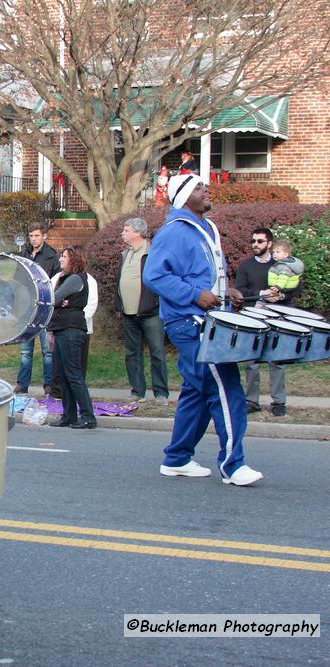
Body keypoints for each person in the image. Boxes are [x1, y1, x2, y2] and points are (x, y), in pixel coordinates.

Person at [143, 173, 263, 486]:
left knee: (198, 392)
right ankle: (233, 465)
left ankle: (177, 458)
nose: (206, 190)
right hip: (189, 322)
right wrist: (195, 295)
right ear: (183, 197)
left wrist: (229, 291)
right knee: (225, 386)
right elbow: (154, 276)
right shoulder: (173, 232)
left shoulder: (206, 228)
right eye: (198, 187)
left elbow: (208, 275)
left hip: (207, 319)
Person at [235, 227, 289, 416]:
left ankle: (279, 401)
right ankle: (252, 400)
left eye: (259, 241)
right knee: (252, 361)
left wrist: (281, 295)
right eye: (253, 241)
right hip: (253, 317)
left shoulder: (281, 265)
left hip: (276, 317)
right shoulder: (246, 266)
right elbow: (240, 291)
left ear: (270, 243)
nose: (255, 245)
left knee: (277, 360)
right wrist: (260, 294)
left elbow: (295, 287)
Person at [115, 217, 169, 404]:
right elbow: (120, 280)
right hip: (128, 312)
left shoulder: (152, 252)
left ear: (138, 233)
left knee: (157, 352)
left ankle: (161, 393)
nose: (123, 232)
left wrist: (155, 301)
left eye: (126, 229)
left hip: (150, 311)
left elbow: (162, 279)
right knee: (132, 353)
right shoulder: (125, 253)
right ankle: (137, 391)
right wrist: (118, 304)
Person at [48, 247, 96, 429]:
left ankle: (88, 416)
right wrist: (62, 303)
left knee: (74, 375)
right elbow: (59, 300)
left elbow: (53, 297)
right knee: (63, 375)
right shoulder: (67, 278)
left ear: (74, 260)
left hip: (71, 330)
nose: (60, 259)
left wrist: (60, 302)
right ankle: (68, 415)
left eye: (64, 256)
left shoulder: (76, 278)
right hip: (62, 329)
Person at [15, 223, 60, 394]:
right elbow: (17, 277)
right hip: (26, 307)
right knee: (25, 350)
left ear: (44, 236)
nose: (33, 239)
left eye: (37, 235)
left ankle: (48, 384)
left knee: (47, 350)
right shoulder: (25, 253)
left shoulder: (51, 256)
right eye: (31, 236)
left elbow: (56, 281)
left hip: (44, 308)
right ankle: (22, 384)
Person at [49, 270, 98, 398]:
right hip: (59, 327)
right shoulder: (57, 277)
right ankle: (59, 396)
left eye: (64, 257)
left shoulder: (86, 280)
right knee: (60, 370)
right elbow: (52, 298)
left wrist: (78, 319)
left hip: (75, 328)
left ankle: (86, 411)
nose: (60, 259)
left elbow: (90, 304)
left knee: (74, 372)